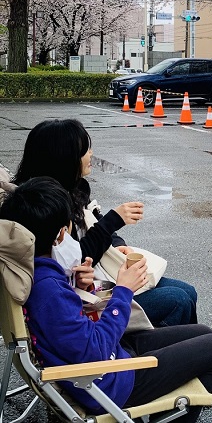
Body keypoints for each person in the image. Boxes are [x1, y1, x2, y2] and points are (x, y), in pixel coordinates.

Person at [0, 178, 212, 421]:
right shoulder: (49, 292)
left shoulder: (36, 273)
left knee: (202, 332)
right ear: (59, 236)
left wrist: (79, 287)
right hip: (107, 382)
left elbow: (69, 329)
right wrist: (123, 290)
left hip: (110, 358)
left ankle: (169, 410)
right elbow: (94, 351)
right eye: (68, 230)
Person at [11, 118, 197, 327]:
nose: (91, 154)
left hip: (101, 278)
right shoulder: (41, 207)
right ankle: (146, 352)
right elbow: (74, 261)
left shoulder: (73, 189)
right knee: (178, 300)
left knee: (188, 291)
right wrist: (114, 220)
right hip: (87, 298)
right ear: (64, 158)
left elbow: (95, 224)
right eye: (84, 150)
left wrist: (117, 244)